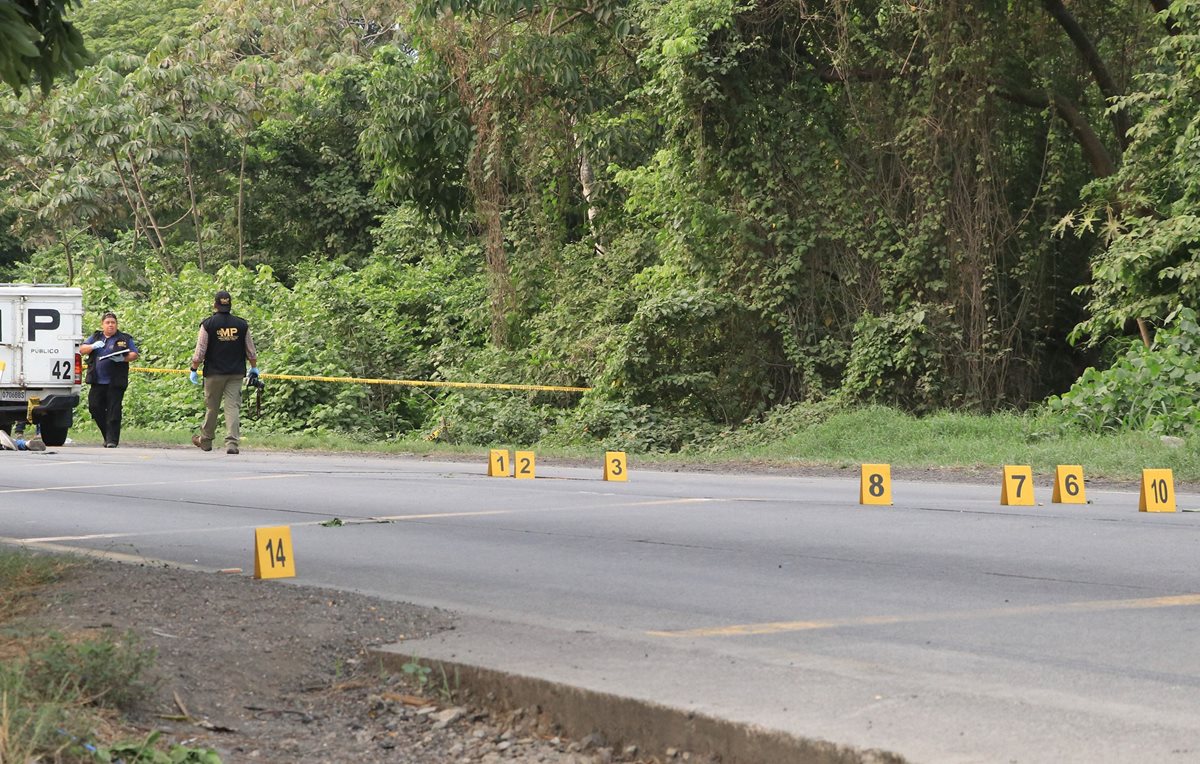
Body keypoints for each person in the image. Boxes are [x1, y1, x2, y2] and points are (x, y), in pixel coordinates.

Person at [190, 290, 258, 455]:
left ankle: (205, 441)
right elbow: (251, 350)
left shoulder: (208, 324)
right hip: (235, 373)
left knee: (212, 407)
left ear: (215, 305)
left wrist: (194, 368)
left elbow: (200, 351)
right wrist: (254, 367)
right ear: (230, 304)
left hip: (214, 373)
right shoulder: (241, 325)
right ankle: (232, 444)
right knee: (232, 407)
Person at [83, 312, 140, 448]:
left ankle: (112, 440)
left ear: (116, 324)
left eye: (113, 323)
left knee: (114, 412)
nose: (110, 325)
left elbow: (134, 354)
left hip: (115, 382)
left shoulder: (124, 338)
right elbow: (82, 349)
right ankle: (107, 434)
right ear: (102, 325)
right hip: (97, 381)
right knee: (94, 407)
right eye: (107, 323)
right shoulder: (96, 337)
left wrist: (123, 358)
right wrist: (92, 347)